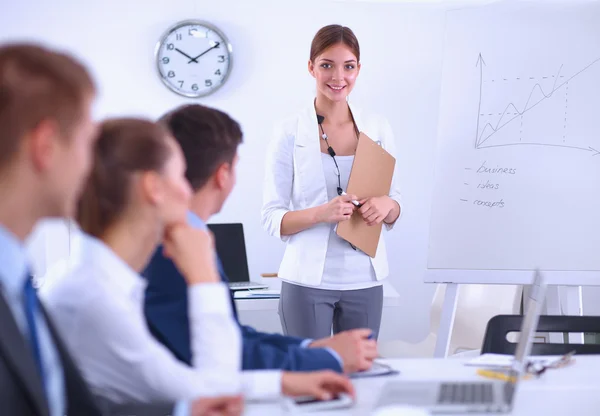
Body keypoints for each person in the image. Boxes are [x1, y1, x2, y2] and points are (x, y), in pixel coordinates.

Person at [41, 117, 355, 408]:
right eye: (179, 175)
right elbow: (211, 392)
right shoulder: (94, 297)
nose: (186, 188)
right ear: (153, 188)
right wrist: (203, 274)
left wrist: (284, 382)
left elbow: (184, 385)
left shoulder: (99, 282)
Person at [0, 43, 238, 416]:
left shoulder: (18, 282)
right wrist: (204, 276)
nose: (91, 165)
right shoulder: (74, 292)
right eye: (86, 141)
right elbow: (215, 392)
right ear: (46, 147)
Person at [143, 104, 377, 374]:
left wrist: (310, 349)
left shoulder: (184, 236)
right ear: (223, 175)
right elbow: (221, 354)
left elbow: (229, 336)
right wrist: (327, 359)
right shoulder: (172, 249)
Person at [261, 24, 403, 341]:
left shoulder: (377, 127)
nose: (338, 77)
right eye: (327, 65)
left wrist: (388, 205)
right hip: (307, 281)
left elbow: (395, 205)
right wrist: (321, 214)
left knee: (360, 382)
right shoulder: (289, 130)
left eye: (348, 66)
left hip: (365, 279)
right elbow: (272, 217)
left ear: (358, 69)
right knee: (310, 378)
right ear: (311, 67)